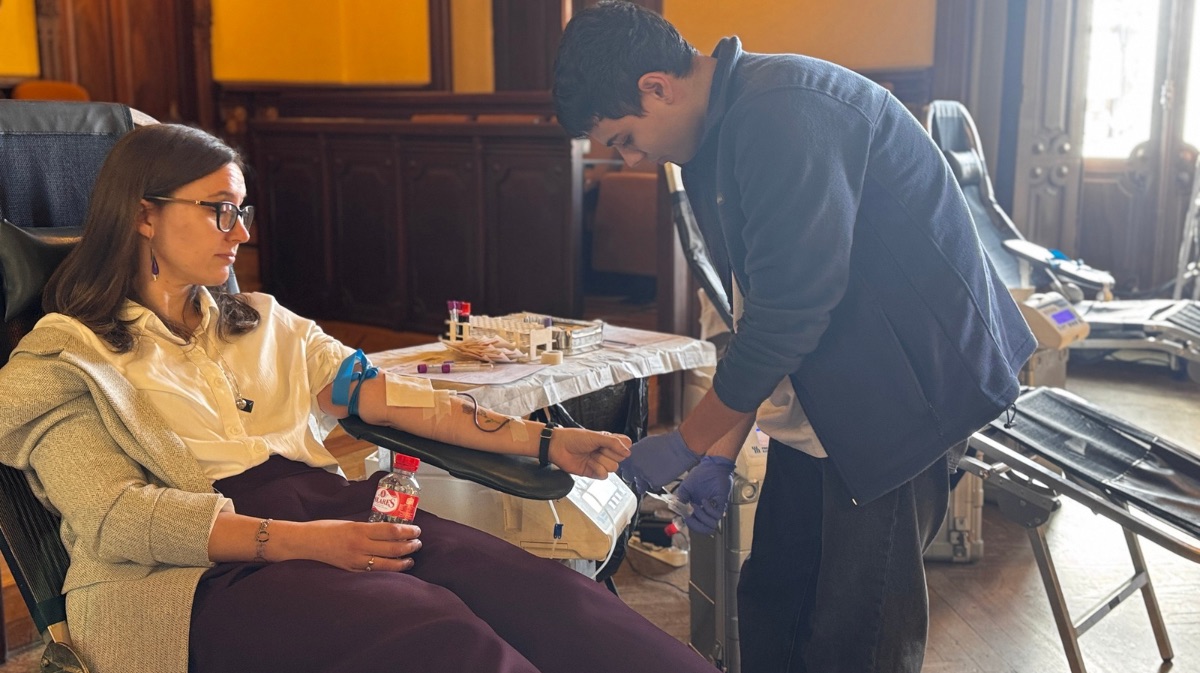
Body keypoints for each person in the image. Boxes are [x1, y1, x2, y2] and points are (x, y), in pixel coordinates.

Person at [0, 123, 719, 673]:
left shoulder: (261, 323)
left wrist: (545, 440)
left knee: (544, 597)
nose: (242, 232)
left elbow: (390, 398)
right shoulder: (68, 359)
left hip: (331, 508)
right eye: (220, 210)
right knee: (436, 634)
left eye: (242, 210)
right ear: (144, 215)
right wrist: (307, 543)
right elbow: (118, 519)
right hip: (190, 575)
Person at [553, 3, 1037, 672]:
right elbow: (757, 314)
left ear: (656, 87)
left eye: (626, 138)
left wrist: (688, 440)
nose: (633, 158)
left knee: (859, 630)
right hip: (840, 384)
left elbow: (790, 313)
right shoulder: (712, 140)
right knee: (775, 601)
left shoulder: (782, 111)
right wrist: (721, 451)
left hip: (909, 393)